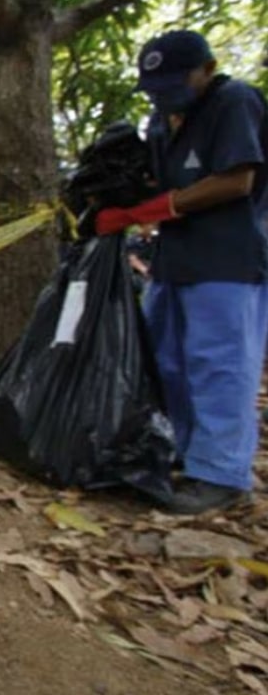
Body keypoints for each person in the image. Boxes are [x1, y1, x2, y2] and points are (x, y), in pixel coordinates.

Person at [89, 29, 267, 514]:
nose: (163, 97)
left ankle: (222, 474)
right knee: (166, 359)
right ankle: (185, 454)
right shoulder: (161, 121)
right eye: (154, 89)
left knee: (219, 364)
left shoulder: (234, 102)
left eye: (173, 84)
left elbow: (237, 180)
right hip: (172, 261)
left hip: (227, 261)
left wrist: (160, 207)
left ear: (206, 70)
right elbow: (154, 180)